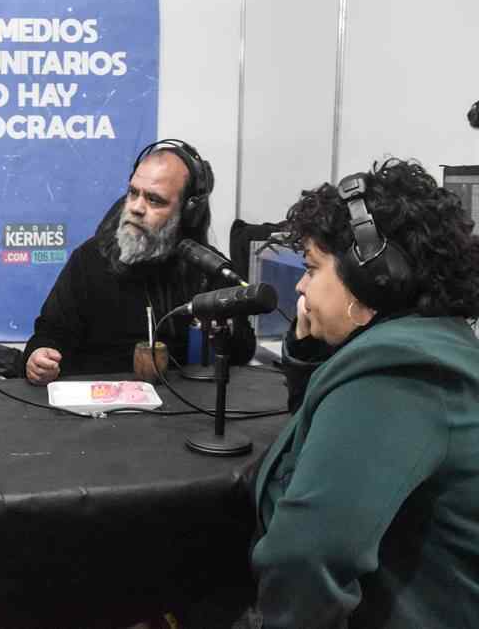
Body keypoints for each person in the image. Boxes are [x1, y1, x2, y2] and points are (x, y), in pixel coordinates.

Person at [249, 159, 479, 628]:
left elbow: (305, 557)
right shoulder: (430, 344)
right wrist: (309, 352)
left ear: (375, 275)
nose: (300, 285)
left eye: (311, 269)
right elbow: (313, 446)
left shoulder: (399, 374)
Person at [23, 139, 256, 384]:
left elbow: (243, 351)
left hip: (183, 412)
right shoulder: (90, 259)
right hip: (98, 409)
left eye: (155, 200)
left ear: (188, 212)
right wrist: (38, 357)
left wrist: (224, 330)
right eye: (133, 193)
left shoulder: (207, 269)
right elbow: (49, 334)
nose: (136, 207)